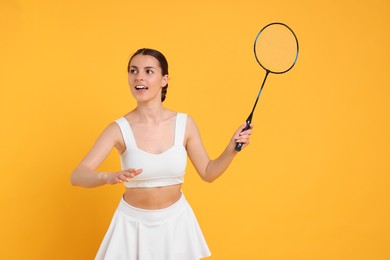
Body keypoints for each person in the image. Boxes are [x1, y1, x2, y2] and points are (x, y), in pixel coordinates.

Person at [71, 48, 253, 260]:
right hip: (132, 226)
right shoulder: (118, 128)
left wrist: (232, 148)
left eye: (148, 71)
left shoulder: (185, 124)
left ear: (164, 79)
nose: (139, 76)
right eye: (133, 71)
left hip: (176, 224)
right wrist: (107, 176)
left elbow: (208, 172)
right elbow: (77, 175)